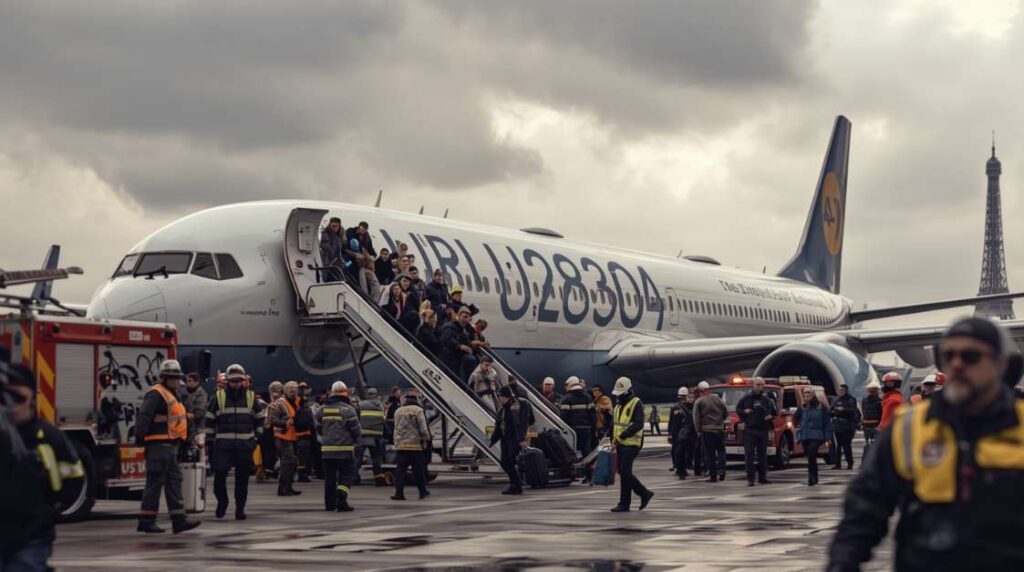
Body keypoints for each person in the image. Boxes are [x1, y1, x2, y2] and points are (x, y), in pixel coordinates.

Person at [828, 317, 1024, 571]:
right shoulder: (909, 428)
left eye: (971, 356)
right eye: (948, 356)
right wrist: (842, 563)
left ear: (1000, 365)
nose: (957, 364)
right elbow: (864, 509)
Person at [0, 360, 84, 568]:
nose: (10, 405)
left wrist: (49, 512)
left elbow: (73, 479)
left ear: (31, 399)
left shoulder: (49, 438)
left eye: (17, 397)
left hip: (32, 537)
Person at [135, 360, 201, 534]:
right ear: (163, 378)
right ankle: (146, 521)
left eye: (176, 377)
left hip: (169, 445)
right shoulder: (157, 394)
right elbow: (144, 416)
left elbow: (179, 420)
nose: (175, 380)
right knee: (155, 483)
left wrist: (187, 441)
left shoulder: (172, 394)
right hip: (158, 445)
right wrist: (140, 437)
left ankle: (179, 521)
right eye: (171, 378)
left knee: (174, 481)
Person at [204, 364, 263, 520]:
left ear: (243, 381)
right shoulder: (218, 397)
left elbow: (260, 419)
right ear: (227, 382)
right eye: (233, 381)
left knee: (242, 481)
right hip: (223, 446)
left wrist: (256, 438)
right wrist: (209, 441)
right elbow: (209, 419)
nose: (236, 384)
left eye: (238, 381)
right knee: (219, 476)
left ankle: (240, 509)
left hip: (244, 446)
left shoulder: (251, 397)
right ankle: (222, 502)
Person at [609, 377, 654, 512]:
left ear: (628, 391)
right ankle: (625, 503)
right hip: (620, 443)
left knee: (624, 471)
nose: (619, 396)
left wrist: (622, 436)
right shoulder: (617, 405)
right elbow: (614, 425)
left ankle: (643, 493)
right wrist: (610, 438)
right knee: (623, 472)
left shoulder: (636, 403)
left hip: (632, 443)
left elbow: (639, 423)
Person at [315, 381, 361, 512]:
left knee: (329, 478)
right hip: (345, 450)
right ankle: (341, 499)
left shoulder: (321, 409)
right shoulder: (348, 410)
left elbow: (318, 428)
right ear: (345, 393)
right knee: (346, 477)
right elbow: (357, 431)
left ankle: (329, 505)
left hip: (327, 450)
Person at [391, 392, 432, 501]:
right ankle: (422, 492)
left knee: (400, 471)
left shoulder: (398, 411)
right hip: (415, 446)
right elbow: (423, 428)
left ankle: (399, 493)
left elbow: (396, 428)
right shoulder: (418, 411)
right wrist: (426, 439)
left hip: (401, 446)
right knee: (419, 471)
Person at [489, 386, 530, 495]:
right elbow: (499, 426)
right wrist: (493, 440)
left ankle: (516, 485)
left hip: (514, 439)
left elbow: (523, 423)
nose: (499, 399)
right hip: (505, 439)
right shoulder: (502, 409)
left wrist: (521, 438)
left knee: (510, 462)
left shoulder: (517, 406)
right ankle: (516, 483)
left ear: (506, 397)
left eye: (501, 396)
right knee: (505, 462)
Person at [736, 377, 777, 486]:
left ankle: (762, 477)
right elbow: (738, 410)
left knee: (762, 455)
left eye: (761, 385)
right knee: (749, 455)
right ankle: (750, 478)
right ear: (753, 385)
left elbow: (774, 412)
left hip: (763, 430)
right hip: (750, 430)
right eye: (757, 385)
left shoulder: (767, 400)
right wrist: (745, 412)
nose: (760, 387)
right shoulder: (746, 399)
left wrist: (770, 416)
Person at [268, 381, 303, 496]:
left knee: (291, 463)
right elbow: (272, 420)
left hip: (292, 437)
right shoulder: (280, 403)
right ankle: (284, 488)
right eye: (291, 390)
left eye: (295, 390)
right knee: (288, 462)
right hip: (282, 437)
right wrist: (285, 423)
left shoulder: (297, 402)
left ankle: (288, 487)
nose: (293, 392)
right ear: (286, 391)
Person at [793, 387, 832, 486]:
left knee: (812, 453)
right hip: (805, 436)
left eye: (808, 395)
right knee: (810, 458)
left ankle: (812, 477)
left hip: (817, 436)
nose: (806, 397)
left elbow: (827, 423)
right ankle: (813, 476)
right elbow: (795, 418)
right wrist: (798, 426)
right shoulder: (802, 407)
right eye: (805, 395)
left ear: (813, 395)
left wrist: (828, 437)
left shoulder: (820, 407)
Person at [693, 381, 727, 482]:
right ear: (709, 389)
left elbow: (696, 417)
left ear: (700, 391)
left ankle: (713, 475)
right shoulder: (718, 399)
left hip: (707, 430)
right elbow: (725, 411)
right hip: (719, 429)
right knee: (721, 451)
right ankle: (722, 471)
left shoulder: (699, 401)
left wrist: (698, 430)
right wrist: (720, 421)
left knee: (710, 453)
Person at [355, 387, 387, 486]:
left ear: (368, 395)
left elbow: (355, 418)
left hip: (363, 435)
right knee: (376, 459)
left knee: (358, 458)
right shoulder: (381, 406)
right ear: (376, 395)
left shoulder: (361, 405)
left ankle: (354, 478)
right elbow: (384, 420)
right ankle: (378, 479)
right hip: (377, 435)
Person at [559, 377, 596, 460]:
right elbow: (593, 414)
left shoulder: (566, 398)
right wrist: (592, 427)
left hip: (572, 430)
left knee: (571, 451)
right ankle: (587, 470)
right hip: (586, 429)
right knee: (586, 451)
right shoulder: (588, 397)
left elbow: (564, 416)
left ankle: (574, 469)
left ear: (569, 385)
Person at [439, 307, 478, 381]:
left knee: (472, 360)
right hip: (450, 356)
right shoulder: (450, 326)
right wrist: (460, 346)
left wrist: (470, 345)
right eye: (464, 317)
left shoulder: (464, 329)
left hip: (459, 356)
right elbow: (447, 339)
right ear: (459, 316)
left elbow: (465, 341)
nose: (466, 320)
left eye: (468, 318)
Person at [829, 383, 861, 470]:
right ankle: (837, 464)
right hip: (838, 426)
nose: (840, 392)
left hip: (847, 426)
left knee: (846, 445)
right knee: (838, 446)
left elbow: (853, 411)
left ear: (846, 391)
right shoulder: (836, 400)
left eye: (842, 390)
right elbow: (831, 410)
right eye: (839, 390)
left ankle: (850, 463)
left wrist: (843, 410)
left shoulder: (851, 399)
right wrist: (832, 412)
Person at [667, 387, 695, 479]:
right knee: (684, 452)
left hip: (676, 433)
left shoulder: (674, 407)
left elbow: (671, 422)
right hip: (684, 433)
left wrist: (670, 433)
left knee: (677, 452)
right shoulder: (687, 408)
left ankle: (677, 467)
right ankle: (682, 469)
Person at [181, 372, 208, 453]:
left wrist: (183, 415)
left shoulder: (201, 394)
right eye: (187, 381)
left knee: (199, 451)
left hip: (198, 429)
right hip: (185, 429)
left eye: (190, 381)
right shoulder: (183, 392)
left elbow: (199, 412)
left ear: (196, 382)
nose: (187, 383)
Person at [294, 384, 314, 483]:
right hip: (305, 435)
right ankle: (302, 475)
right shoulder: (308, 411)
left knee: (300, 456)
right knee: (303, 457)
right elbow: (311, 422)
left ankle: (301, 473)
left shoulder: (296, 411)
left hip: (297, 435)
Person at [319, 217, 346, 282]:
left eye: (337, 226)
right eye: (333, 226)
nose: (335, 228)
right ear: (330, 225)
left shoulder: (339, 235)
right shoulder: (326, 233)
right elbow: (325, 246)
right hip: (328, 261)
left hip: (336, 262)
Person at [860, 380, 882, 450]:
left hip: (866, 425)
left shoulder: (864, 401)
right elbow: (881, 414)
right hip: (876, 425)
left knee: (868, 444)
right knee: (876, 445)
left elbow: (863, 411)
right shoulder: (880, 402)